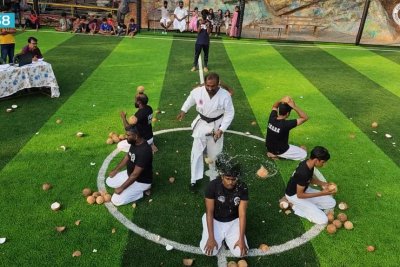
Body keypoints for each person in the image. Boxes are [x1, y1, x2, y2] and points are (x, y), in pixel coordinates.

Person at [177, 72, 235, 191]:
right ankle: (194, 179)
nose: (210, 88)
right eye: (208, 85)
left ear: (218, 83)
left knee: (214, 154)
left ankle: (213, 178)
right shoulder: (198, 91)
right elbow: (190, 100)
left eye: (213, 86)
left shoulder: (225, 95)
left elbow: (230, 113)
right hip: (201, 124)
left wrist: (222, 129)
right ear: (205, 83)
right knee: (196, 153)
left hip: (217, 125)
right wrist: (184, 110)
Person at [199, 154, 249, 257]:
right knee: (209, 252)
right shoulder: (212, 186)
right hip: (216, 220)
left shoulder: (242, 187)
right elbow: (209, 212)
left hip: (233, 221)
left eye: (234, 179)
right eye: (227, 178)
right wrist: (211, 238)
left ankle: (228, 238)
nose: (231, 182)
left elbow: (242, 214)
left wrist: (241, 239)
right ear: (222, 176)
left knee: (241, 253)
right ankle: (212, 233)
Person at [285, 146, 336, 224]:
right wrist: (322, 193)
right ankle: (294, 206)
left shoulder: (308, 163)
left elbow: (310, 179)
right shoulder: (303, 173)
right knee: (323, 220)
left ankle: (307, 205)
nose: (324, 164)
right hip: (294, 195)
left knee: (331, 202)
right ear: (316, 160)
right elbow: (300, 195)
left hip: (303, 189)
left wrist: (323, 183)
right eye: (323, 162)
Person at [106, 126, 153, 206]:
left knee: (116, 200)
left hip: (141, 181)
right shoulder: (134, 142)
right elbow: (128, 156)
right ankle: (128, 187)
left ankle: (143, 192)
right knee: (109, 181)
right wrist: (116, 170)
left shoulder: (144, 151)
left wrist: (122, 188)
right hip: (129, 175)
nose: (126, 137)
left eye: (128, 135)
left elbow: (135, 175)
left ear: (136, 136)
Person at [265, 96, 308, 161]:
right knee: (304, 153)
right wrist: (294, 106)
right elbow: (305, 117)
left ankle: (272, 153)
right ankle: (275, 155)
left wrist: (281, 101)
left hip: (269, 147)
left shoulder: (272, 117)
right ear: (287, 114)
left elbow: (274, 106)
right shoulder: (286, 124)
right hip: (280, 151)